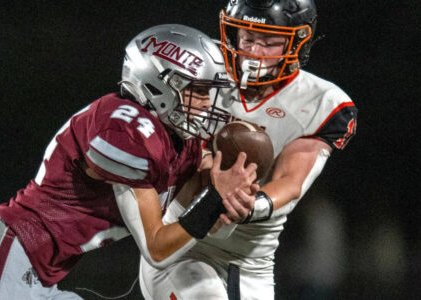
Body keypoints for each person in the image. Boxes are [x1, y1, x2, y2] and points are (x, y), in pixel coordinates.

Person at [0, 24, 260, 300]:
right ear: (160, 84)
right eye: (199, 92)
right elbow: (157, 248)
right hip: (12, 251)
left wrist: (226, 202)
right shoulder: (123, 126)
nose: (208, 104)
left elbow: (197, 225)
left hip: (46, 277)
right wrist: (214, 199)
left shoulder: (184, 146)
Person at [139, 1, 358, 299]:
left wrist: (247, 205)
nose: (255, 51)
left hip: (252, 261)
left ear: (298, 41)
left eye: (269, 42)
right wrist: (209, 180)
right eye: (248, 38)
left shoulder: (321, 101)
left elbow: (292, 180)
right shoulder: (201, 73)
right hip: (183, 240)